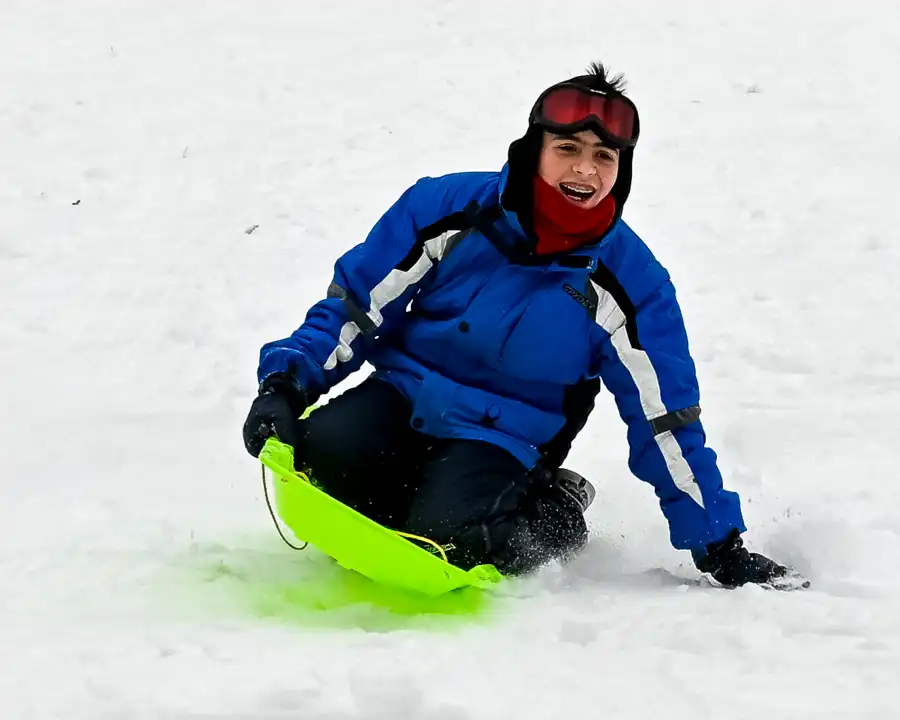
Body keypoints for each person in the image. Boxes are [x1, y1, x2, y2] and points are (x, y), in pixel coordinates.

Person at [243, 62, 804, 588]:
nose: (586, 170)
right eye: (567, 148)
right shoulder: (447, 209)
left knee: (447, 542)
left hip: (501, 435)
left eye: (604, 157)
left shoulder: (632, 284)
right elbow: (356, 307)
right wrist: (285, 385)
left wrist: (719, 544)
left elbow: (663, 417)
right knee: (317, 461)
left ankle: (553, 506)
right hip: (402, 393)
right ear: (535, 149)